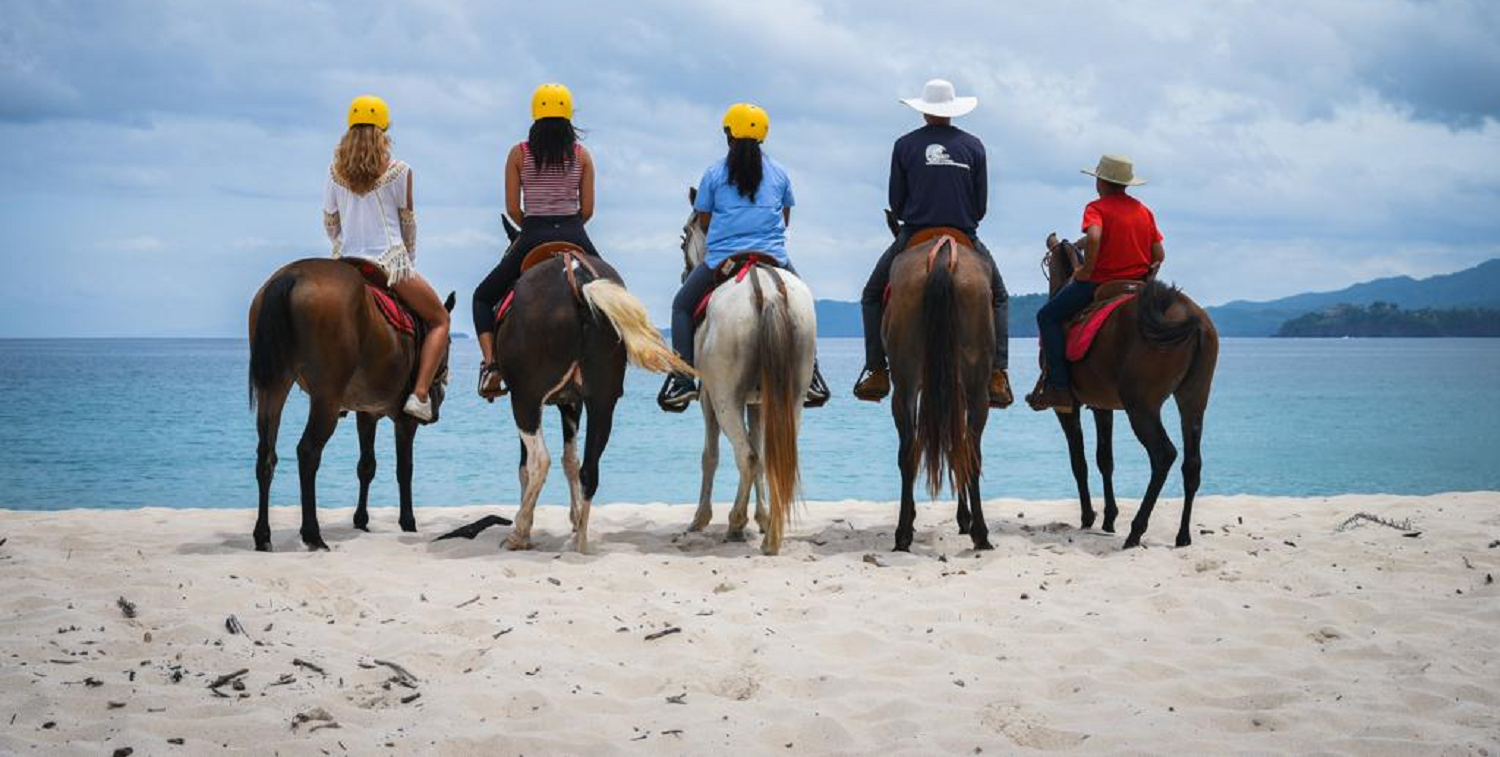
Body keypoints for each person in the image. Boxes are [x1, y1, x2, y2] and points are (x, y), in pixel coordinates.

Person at [657, 103, 830, 411]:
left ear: (728, 136)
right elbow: (785, 218)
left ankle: (682, 380)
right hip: (773, 256)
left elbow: (705, 221)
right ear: (763, 136)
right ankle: (812, 373)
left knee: (681, 306)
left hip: (724, 258)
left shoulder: (713, 173)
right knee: (805, 302)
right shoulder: (779, 173)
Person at [852, 79, 1012, 407]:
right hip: (964, 235)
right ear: (953, 111)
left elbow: (896, 203)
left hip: (915, 233)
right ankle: (998, 373)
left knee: (871, 295)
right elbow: (980, 206)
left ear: (924, 110)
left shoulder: (904, 145)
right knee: (998, 298)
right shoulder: (975, 146)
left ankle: (877, 370)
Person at [323, 95, 451, 422]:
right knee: (439, 320)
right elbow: (408, 222)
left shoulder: (335, 172)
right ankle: (420, 395)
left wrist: (342, 247)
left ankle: (335, 392)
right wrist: (407, 260)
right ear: (383, 133)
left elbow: (330, 222)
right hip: (388, 262)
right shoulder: (399, 171)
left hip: (346, 263)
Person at [471, 83, 600, 398]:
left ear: (535, 116)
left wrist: (533, 228)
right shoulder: (582, 155)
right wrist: (569, 230)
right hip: (574, 232)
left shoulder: (519, 153)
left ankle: (491, 367)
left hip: (533, 233)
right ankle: (606, 361)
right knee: (613, 293)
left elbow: (513, 208)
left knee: (483, 297)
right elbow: (588, 209)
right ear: (569, 117)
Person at [1025, 154, 1165, 410]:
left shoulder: (1096, 208)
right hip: (1137, 285)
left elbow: (1095, 236)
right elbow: (1159, 255)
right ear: (1126, 184)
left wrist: (1086, 270)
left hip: (1100, 283)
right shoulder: (1144, 211)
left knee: (1047, 316)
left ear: (1101, 181)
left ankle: (1059, 387)